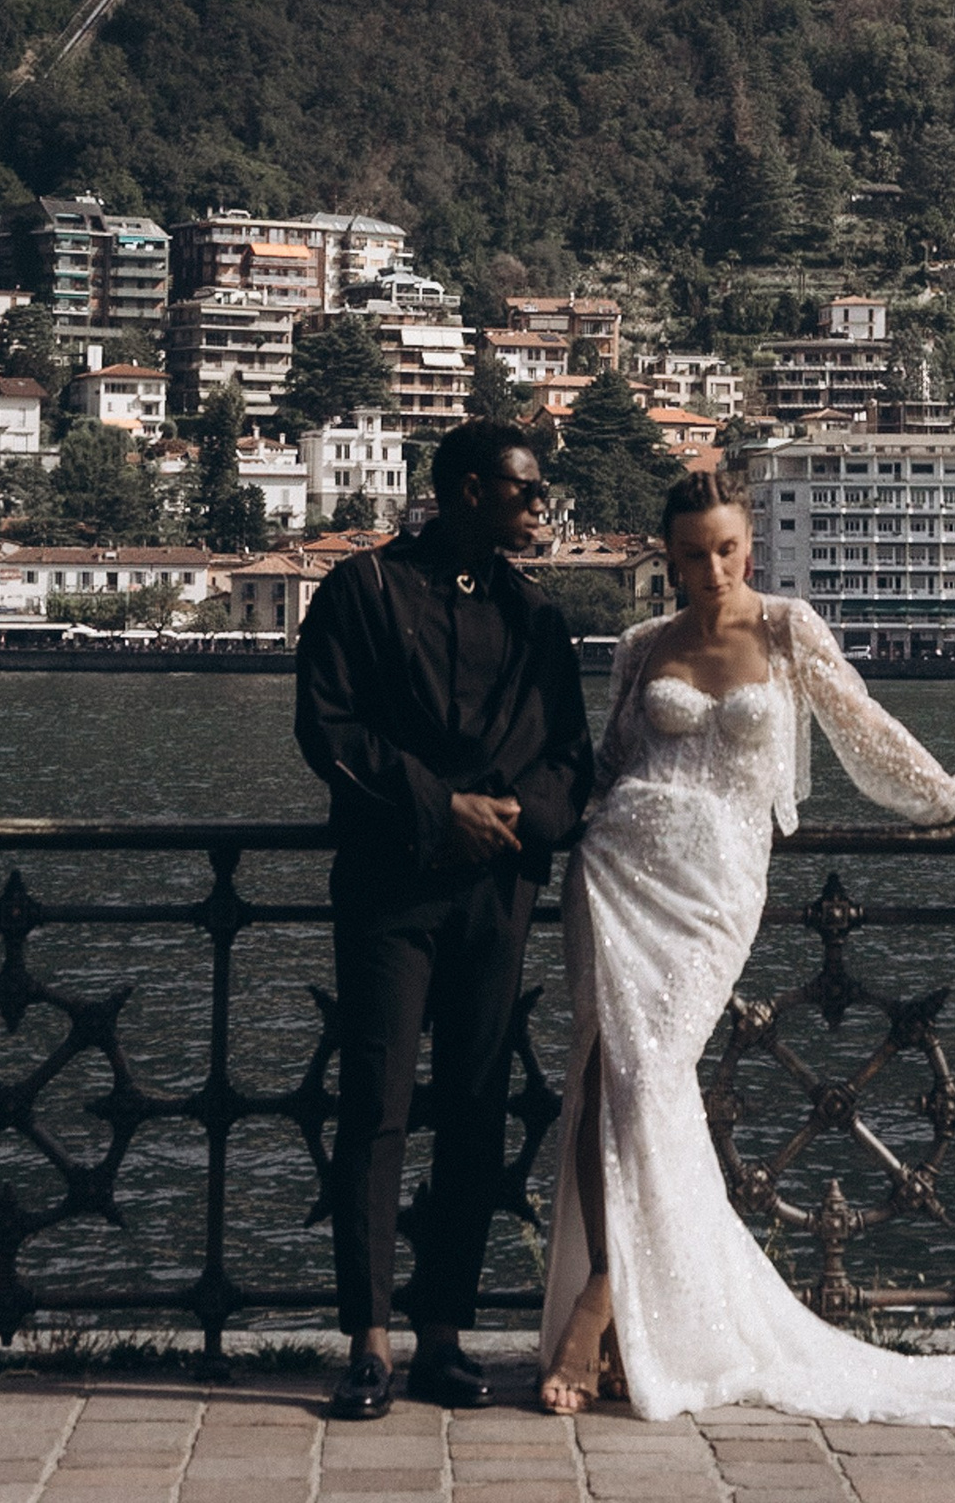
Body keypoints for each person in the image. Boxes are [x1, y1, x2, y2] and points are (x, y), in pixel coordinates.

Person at [535, 470, 955, 1423]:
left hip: (712, 892)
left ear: (750, 546)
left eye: (725, 549)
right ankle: (612, 1305)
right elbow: (610, 766)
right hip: (619, 872)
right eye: (691, 554)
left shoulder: (790, 631)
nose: (710, 569)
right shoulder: (640, 648)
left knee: (656, 1073)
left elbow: (865, 733)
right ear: (667, 561)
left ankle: (603, 1303)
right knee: (603, 1077)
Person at [295, 422, 591, 1424]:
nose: (541, 505)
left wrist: (519, 820)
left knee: (475, 1106)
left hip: (497, 891)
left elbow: (570, 758)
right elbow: (327, 727)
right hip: (391, 884)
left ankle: (445, 1334)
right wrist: (439, 808)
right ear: (469, 491)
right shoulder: (362, 592)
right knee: (373, 1105)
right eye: (527, 490)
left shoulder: (536, 615)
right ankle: (369, 1338)